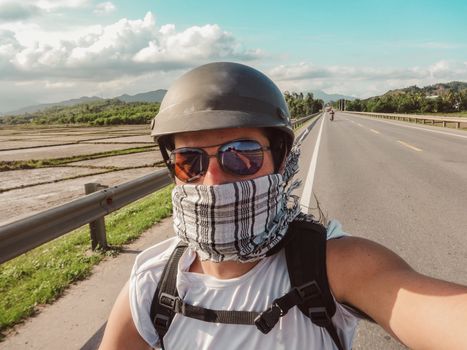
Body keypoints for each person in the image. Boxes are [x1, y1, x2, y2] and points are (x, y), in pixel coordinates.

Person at [99, 62, 467, 350]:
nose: (212, 180)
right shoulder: (152, 282)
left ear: (281, 158)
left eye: (241, 155)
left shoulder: (331, 264)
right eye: (188, 161)